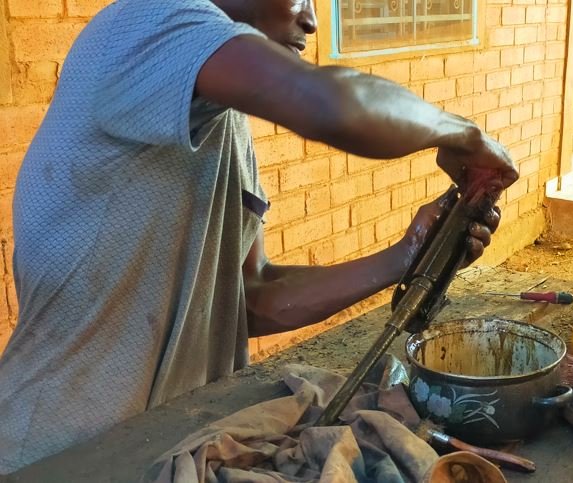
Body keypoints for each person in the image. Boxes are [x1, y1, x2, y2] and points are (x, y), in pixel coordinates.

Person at [0, 0, 518, 474]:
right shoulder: (149, 21)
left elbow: (251, 299)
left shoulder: (225, 126)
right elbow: (333, 104)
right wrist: (466, 136)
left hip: (172, 445)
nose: (311, 19)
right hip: (61, 455)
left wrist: (406, 257)